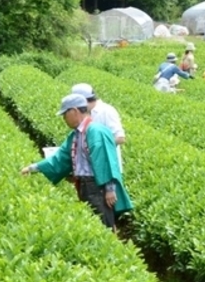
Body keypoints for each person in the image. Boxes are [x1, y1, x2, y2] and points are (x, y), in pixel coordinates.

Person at [20, 93, 132, 231]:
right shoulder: (76, 135)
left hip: (98, 187)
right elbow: (60, 158)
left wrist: (110, 190)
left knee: (104, 225)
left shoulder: (96, 131)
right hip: (84, 185)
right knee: (92, 224)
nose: (64, 119)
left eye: (64, 114)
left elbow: (106, 162)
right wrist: (33, 168)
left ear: (74, 111)